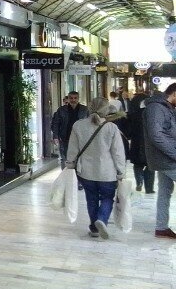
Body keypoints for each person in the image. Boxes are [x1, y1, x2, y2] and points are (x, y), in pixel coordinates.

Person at [65, 97, 126, 239]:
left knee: (91, 199)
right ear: (106, 110)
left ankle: (94, 228)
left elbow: (73, 148)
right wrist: (121, 171)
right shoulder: (111, 128)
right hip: (107, 172)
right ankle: (102, 219)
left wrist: (70, 164)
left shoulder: (78, 125)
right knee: (107, 198)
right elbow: (117, 152)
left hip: (86, 171)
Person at [143, 82, 176, 238]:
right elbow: (156, 135)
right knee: (165, 191)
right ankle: (161, 226)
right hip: (167, 159)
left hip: (165, 158)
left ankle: (161, 227)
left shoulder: (166, 108)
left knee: (165, 191)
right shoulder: (156, 108)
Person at [51, 92, 89, 168]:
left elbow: (89, 124)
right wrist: (55, 137)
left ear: (78, 99)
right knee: (64, 158)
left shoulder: (85, 110)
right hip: (65, 138)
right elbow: (55, 123)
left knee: (79, 159)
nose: (73, 100)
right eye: (71, 98)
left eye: (75, 98)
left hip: (80, 139)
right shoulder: (61, 110)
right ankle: (65, 177)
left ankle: (77, 177)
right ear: (68, 99)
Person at [127, 93, 154, 193]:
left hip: (136, 143)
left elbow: (128, 132)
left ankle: (139, 182)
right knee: (150, 166)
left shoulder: (132, 115)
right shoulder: (151, 114)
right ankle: (149, 188)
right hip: (149, 144)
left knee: (137, 165)